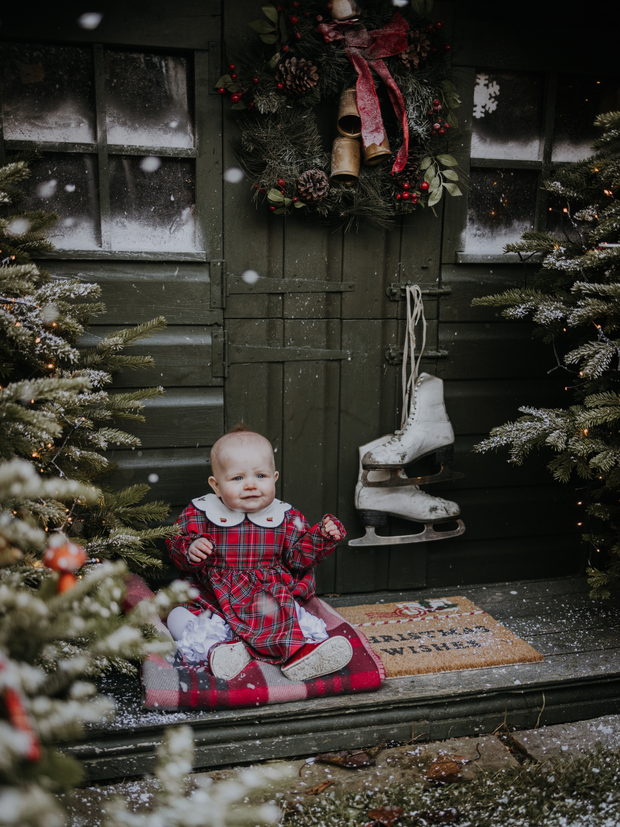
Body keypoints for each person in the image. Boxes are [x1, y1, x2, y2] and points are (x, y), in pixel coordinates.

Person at [165, 425, 352, 682]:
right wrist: (190, 549)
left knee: (289, 613)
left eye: (260, 476)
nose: (251, 485)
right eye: (238, 478)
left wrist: (322, 537)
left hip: (265, 597)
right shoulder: (200, 513)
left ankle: (302, 654)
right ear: (216, 485)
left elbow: (298, 558)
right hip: (212, 596)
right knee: (178, 616)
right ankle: (218, 650)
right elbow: (175, 543)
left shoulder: (285, 517)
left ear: (274, 478)